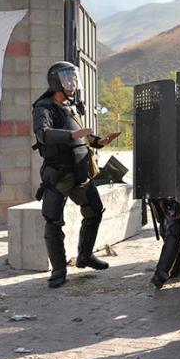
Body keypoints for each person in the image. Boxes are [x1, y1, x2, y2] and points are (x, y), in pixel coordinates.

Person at [32, 61, 120, 288]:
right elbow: (43, 134)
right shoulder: (44, 107)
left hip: (80, 172)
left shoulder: (71, 106)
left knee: (95, 211)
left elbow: (82, 135)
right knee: (53, 221)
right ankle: (59, 270)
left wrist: (99, 141)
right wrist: (72, 136)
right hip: (59, 174)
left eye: (74, 78)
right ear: (56, 82)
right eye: (67, 78)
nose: (72, 83)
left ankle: (85, 256)